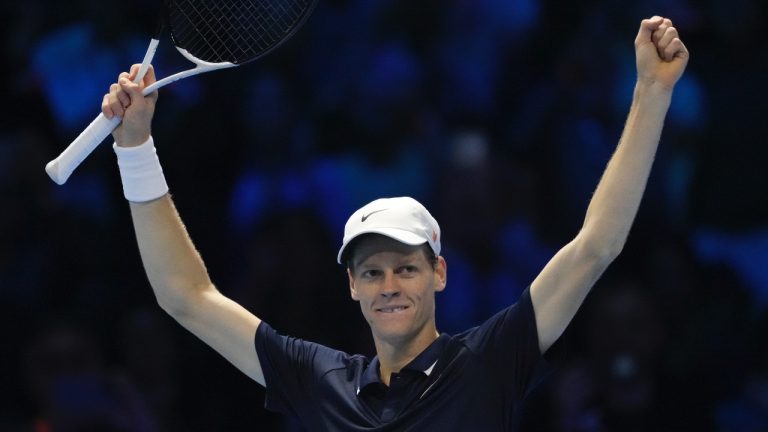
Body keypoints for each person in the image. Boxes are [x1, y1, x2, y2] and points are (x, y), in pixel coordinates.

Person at [101, 16, 688, 431]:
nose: (389, 285)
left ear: (439, 274)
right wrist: (135, 148)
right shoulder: (317, 379)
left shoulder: (487, 364)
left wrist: (651, 93)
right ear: (351, 286)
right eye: (373, 270)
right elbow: (187, 297)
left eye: (406, 267)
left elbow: (596, 246)